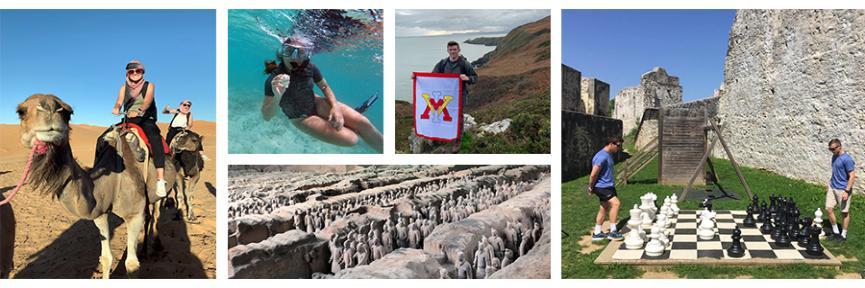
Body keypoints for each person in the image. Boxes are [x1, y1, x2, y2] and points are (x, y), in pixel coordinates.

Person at [261, 37, 383, 153]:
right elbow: (267, 116)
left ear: (307, 54)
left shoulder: (310, 68)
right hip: (301, 118)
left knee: (363, 123)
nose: (295, 57)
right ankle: (349, 124)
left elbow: (325, 87)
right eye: (289, 51)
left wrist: (335, 108)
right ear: (282, 53)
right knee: (352, 139)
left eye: (301, 52)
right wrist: (278, 97)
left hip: (317, 103)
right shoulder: (273, 80)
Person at [111, 60, 167, 197]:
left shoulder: (149, 85)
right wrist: (117, 108)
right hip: (128, 118)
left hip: (145, 118)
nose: (135, 73)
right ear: (128, 73)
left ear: (142, 72)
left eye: (138, 71)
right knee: (107, 136)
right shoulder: (124, 87)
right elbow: (119, 101)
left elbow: (148, 100)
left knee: (154, 137)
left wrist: (140, 109)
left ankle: (160, 179)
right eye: (132, 71)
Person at [430, 41, 478, 153]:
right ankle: (443, 135)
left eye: (455, 49)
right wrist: (416, 78)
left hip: (460, 96)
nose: (453, 52)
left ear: (459, 50)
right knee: (442, 115)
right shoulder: (443, 63)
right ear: (448, 50)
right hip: (446, 96)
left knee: (458, 117)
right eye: (450, 50)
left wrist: (467, 78)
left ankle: (457, 140)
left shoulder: (465, 64)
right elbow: (432, 76)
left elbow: (475, 78)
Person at [587, 136, 623, 241]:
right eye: (618, 145)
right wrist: (590, 187)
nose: (619, 148)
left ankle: (597, 233)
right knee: (616, 204)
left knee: (604, 207)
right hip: (602, 187)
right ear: (611, 144)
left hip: (608, 186)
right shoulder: (601, 156)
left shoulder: (607, 154)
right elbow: (593, 174)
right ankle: (613, 231)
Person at [826, 138, 856, 242]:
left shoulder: (847, 159)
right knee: (828, 209)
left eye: (833, 149)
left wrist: (847, 191)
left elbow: (852, 176)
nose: (832, 151)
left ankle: (843, 235)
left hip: (843, 189)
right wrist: (830, 183)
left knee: (844, 213)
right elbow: (835, 172)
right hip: (832, 187)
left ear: (839, 147)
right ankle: (836, 232)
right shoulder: (834, 157)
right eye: (830, 149)